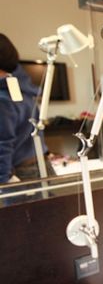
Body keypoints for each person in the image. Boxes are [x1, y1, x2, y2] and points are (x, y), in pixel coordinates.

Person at [0, 33, 54, 186]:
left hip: (21, 173)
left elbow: (2, 144)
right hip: (40, 165)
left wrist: (2, 180)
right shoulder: (23, 88)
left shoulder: (3, 97)